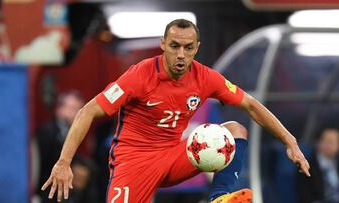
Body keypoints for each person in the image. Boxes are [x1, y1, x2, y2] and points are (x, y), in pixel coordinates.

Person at [41, 19, 310, 203]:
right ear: (163, 45)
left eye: (188, 48)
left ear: (196, 49)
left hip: (173, 156)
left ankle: (219, 197)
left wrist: (290, 141)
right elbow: (87, 111)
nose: (181, 54)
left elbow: (251, 104)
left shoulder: (206, 78)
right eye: (174, 46)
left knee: (234, 130)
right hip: (133, 164)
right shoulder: (139, 76)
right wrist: (64, 162)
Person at [35, 90, 84, 203]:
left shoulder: (74, 131)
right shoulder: (46, 132)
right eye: (72, 108)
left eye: (79, 109)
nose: (76, 113)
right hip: (46, 190)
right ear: (59, 109)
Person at [297, 128, 339, 203]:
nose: (331, 145)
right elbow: (304, 195)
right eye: (328, 141)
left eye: (335, 142)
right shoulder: (306, 166)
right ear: (318, 142)